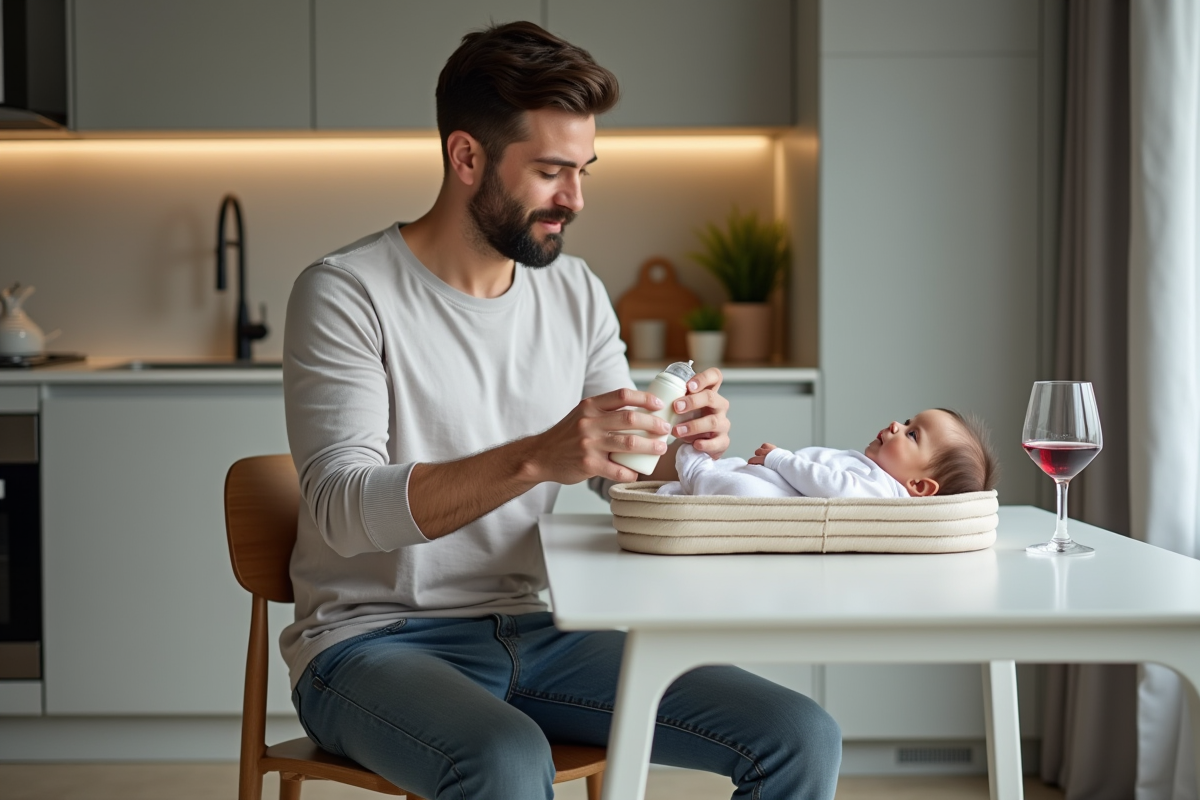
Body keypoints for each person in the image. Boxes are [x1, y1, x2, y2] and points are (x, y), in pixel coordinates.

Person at [280, 20, 841, 800]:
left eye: (584, 170)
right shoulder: (347, 292)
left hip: (539, 633)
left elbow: (622, 473)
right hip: (371, 644)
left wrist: (680, 451)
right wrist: (538, 456)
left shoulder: (573, 292)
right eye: (551, 172)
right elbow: (341, 508)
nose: (574, 199)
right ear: (466, 156)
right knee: (507, 759)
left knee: (799, 735)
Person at [659, 409, 997, 499]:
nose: (896, 423)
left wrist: (781, 459)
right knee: (733, 472)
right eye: (908, 419)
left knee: (745, 489)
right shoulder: (874, 473)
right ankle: (691, 480)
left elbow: (834, 486)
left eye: (911, 434)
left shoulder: (881, 492)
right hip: (769, 478)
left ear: (920, 486)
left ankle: (695, 478)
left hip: (766, 489)